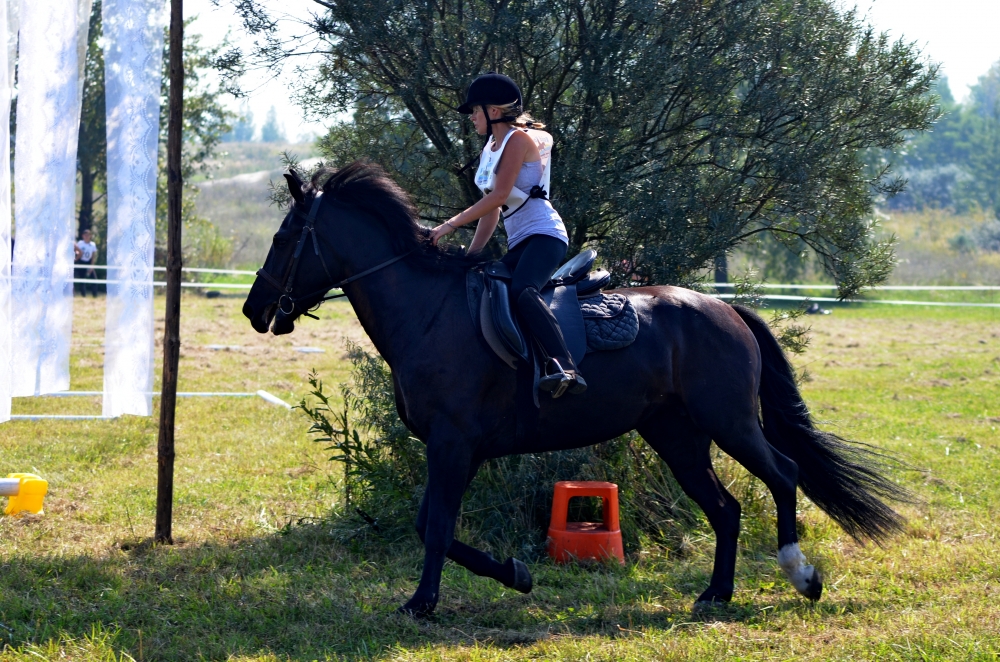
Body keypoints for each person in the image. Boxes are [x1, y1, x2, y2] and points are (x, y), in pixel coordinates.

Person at [430, 73, 586, 398]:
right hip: (520, 243)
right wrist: (471, 256)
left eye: (475, 110)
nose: (471, 117)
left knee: (523, 290)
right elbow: (492, 211)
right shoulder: (490, 149)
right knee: (487, 286)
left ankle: (567, 368)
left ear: (493, 111)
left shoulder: (517, 141)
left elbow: (499, 196)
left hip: (545, 235)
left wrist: (448, 225)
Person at [74, 229, 98, 297]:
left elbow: (93, 256)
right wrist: (77, 254)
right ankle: (83, 295)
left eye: (88, 235)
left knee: (94, 279)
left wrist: (92, 266)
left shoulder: (92, 244)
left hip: (89, 262)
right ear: (83, 236)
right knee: (82, 279)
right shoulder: (80, 243)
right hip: (81, 262)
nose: (86, 237)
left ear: (90, 236)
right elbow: (76, 250)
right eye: (85, 235)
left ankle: (95, 295)